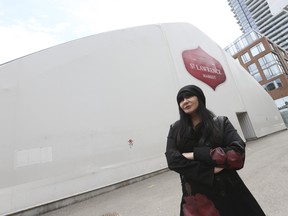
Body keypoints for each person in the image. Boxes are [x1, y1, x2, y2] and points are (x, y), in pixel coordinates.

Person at [165, 85, 266, 216]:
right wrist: (210, 170)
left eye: (189, 96)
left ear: (200, 98)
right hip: (195, 200)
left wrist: (195, 154)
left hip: (229, 191)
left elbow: (237, 154)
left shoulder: (221, 123)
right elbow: (172, 160)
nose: (185, 101)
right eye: (181, 99)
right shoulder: (176, 129)